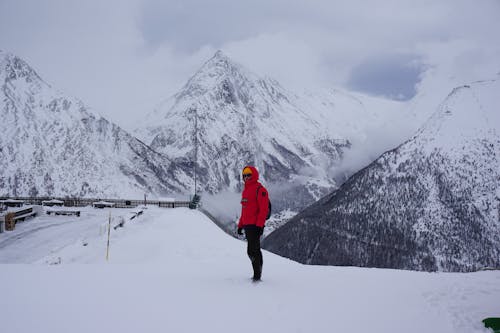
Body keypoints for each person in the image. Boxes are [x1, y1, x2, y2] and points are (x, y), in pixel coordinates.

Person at [237, 165, 270, 281]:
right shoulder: (245, 191)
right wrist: (240, 225)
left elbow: (263, 210)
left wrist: (260, 226)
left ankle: (257, 275)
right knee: (253, 250)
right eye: (244, 175)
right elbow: (244, 210)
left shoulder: (260, 190)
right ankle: (257, 272)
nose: (246, 177)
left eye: (248, 175)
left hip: (255, 226)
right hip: (247, 226)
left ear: (254, 175)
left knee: (252, 250)